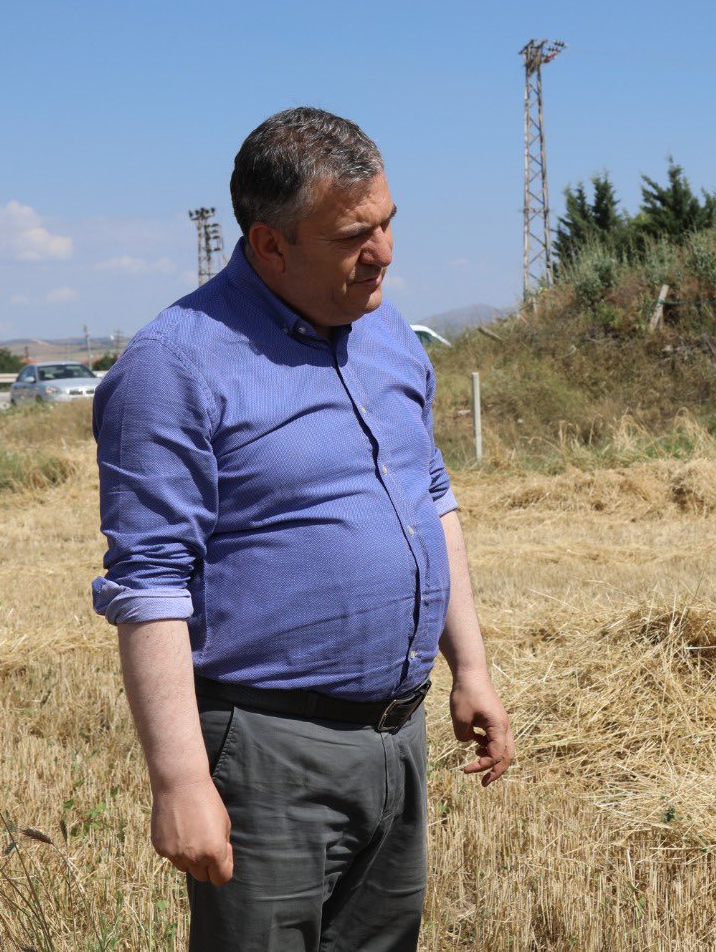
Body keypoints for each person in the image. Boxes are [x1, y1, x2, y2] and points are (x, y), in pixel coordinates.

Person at [92, 107, 513, 952]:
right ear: (270, 243)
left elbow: (432, 496)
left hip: (399, 738)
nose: (385, 252)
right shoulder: (175, 365)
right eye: (354, 234)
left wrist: (469, 665)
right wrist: (179, 778)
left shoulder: (387, 332)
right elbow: (150, 581)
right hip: (269, 752)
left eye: (388, 223)